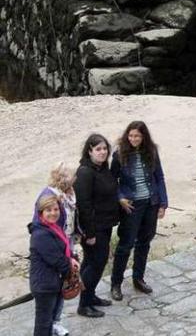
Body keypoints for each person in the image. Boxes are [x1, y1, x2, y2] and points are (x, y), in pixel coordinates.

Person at [110, 121, 167, 301]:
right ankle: (116, 283)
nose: (134, 139)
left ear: (144, 137)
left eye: (138, 136)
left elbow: (159, 177)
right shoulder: (119, 155)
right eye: (131, 135)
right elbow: (112, 180)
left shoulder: (151, 152)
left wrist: (163, 203)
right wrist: (120, 198)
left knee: (145, 242)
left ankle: (138, 278)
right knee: (125, 245)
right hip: (132, 206)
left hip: (151, 202)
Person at [74, 134, 117, 319]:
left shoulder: (102, 169)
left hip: (105, 224)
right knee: (97, 263)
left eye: (104, 148)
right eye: (98, 149)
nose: (102, 152)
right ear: (89, 151)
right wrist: (89, 233)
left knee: (91, 262)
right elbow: (84, 205)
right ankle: (84, 304)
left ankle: (90, 296)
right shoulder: (85, 172)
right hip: (93, 228)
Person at [31, 164, 77, 333]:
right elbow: (56, 258)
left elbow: (62, 246)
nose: (53, 213)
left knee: (48, 317)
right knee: (43, 323)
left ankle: (55, 324)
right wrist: (70, 269)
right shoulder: (41, 234)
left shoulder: (53, 229)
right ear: (41, 213)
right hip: (45, 284)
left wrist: (71, 258)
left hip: (51, 281)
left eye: (56, 210)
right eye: (49, 211)